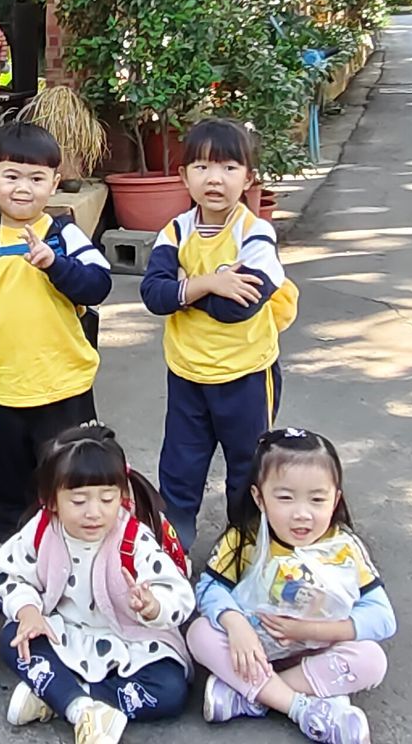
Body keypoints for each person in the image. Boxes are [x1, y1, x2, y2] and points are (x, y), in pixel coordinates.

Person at [0, 121, 113, 535]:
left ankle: (74, 549)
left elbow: (99, 285)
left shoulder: (64, 236)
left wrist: (57, 265)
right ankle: (15, 553)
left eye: (36, 178)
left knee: (73, 481)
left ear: (54, 183)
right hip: (5, 392)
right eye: (11, 176)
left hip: (66, 388)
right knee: (10, 491)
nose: (23, 188)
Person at [139, 118, 300, 539]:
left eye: (229, 167)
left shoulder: (255, 233)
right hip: (188, 373)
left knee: (248, 467)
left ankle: (244, 544)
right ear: (184, 176)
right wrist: (211, 282)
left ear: (248, 178)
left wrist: (184, 290)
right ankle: (173, 547)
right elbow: (153, 294)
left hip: (246, 374)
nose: (215, 179)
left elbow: (237, 308)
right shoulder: (175, 232)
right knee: (180, 466)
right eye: (202, 167)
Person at [188, 428, 394, 744]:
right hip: (254, 649)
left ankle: (251, 696)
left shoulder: (344, 547)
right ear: (259, 497)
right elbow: (209, 589)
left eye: (317, 499)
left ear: (335, 499)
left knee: (372, 660)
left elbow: (382, 617)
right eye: (285, 498)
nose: (302, 514)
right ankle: (303, 707)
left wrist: (311, 632)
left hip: (317, 651)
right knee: (199, 633)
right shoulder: (245, 539)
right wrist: (236, 625)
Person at [0, 424, 194, 744]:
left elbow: (179, 593)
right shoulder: (43, 529)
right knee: (12, 638)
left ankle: (59, 696)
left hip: (130, 641)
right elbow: (9, 574)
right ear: (51, 500)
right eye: (79, 501)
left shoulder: (133, 539)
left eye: (107, 499)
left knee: (170, 690)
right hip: (65, 631)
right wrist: (28, 611)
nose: (94, 512)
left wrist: (154, 606)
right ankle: (80, 708)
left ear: (122, 496)